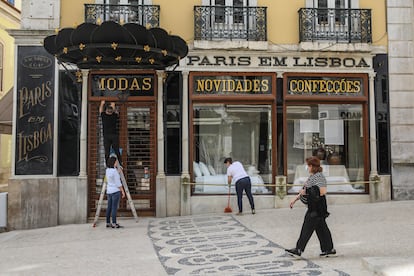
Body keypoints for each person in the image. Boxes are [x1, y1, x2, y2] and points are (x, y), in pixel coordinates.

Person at [285, 156, 336, 257]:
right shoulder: (312, 177)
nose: (307, 168)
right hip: (315, 207)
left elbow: (322, 192)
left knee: (307, 228)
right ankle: (329, 249)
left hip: (316, 207)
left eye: (308, 165)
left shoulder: (319, 177)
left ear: (313, 166)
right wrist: (294, 200)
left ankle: (299, 249)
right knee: (321, 228)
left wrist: (308, 192)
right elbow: (304, 189)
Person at [105, 156, 126, 228]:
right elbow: (118, 183)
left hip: (109, 191)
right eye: (116, 161)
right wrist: (123, 191)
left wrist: (118, 170)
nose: (117, 163)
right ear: (114, 162)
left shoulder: (107, 170)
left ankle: (108, 222)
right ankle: (114, 223)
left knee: (109, 207)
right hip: (115, 191)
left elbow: (112, 176)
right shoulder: (115, 172)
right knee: (114, 208)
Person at [100, 100, 122, 166]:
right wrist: (113, 105)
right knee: (111, 150)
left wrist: (102, 104)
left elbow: (101, 111)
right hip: (111, 135)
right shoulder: (113, 115)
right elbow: (115, 112)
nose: (109, 111)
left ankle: (117, 163)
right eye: (109, 110)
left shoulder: (106, 115)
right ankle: (116, 163)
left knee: (111, 150)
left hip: (110, 136)